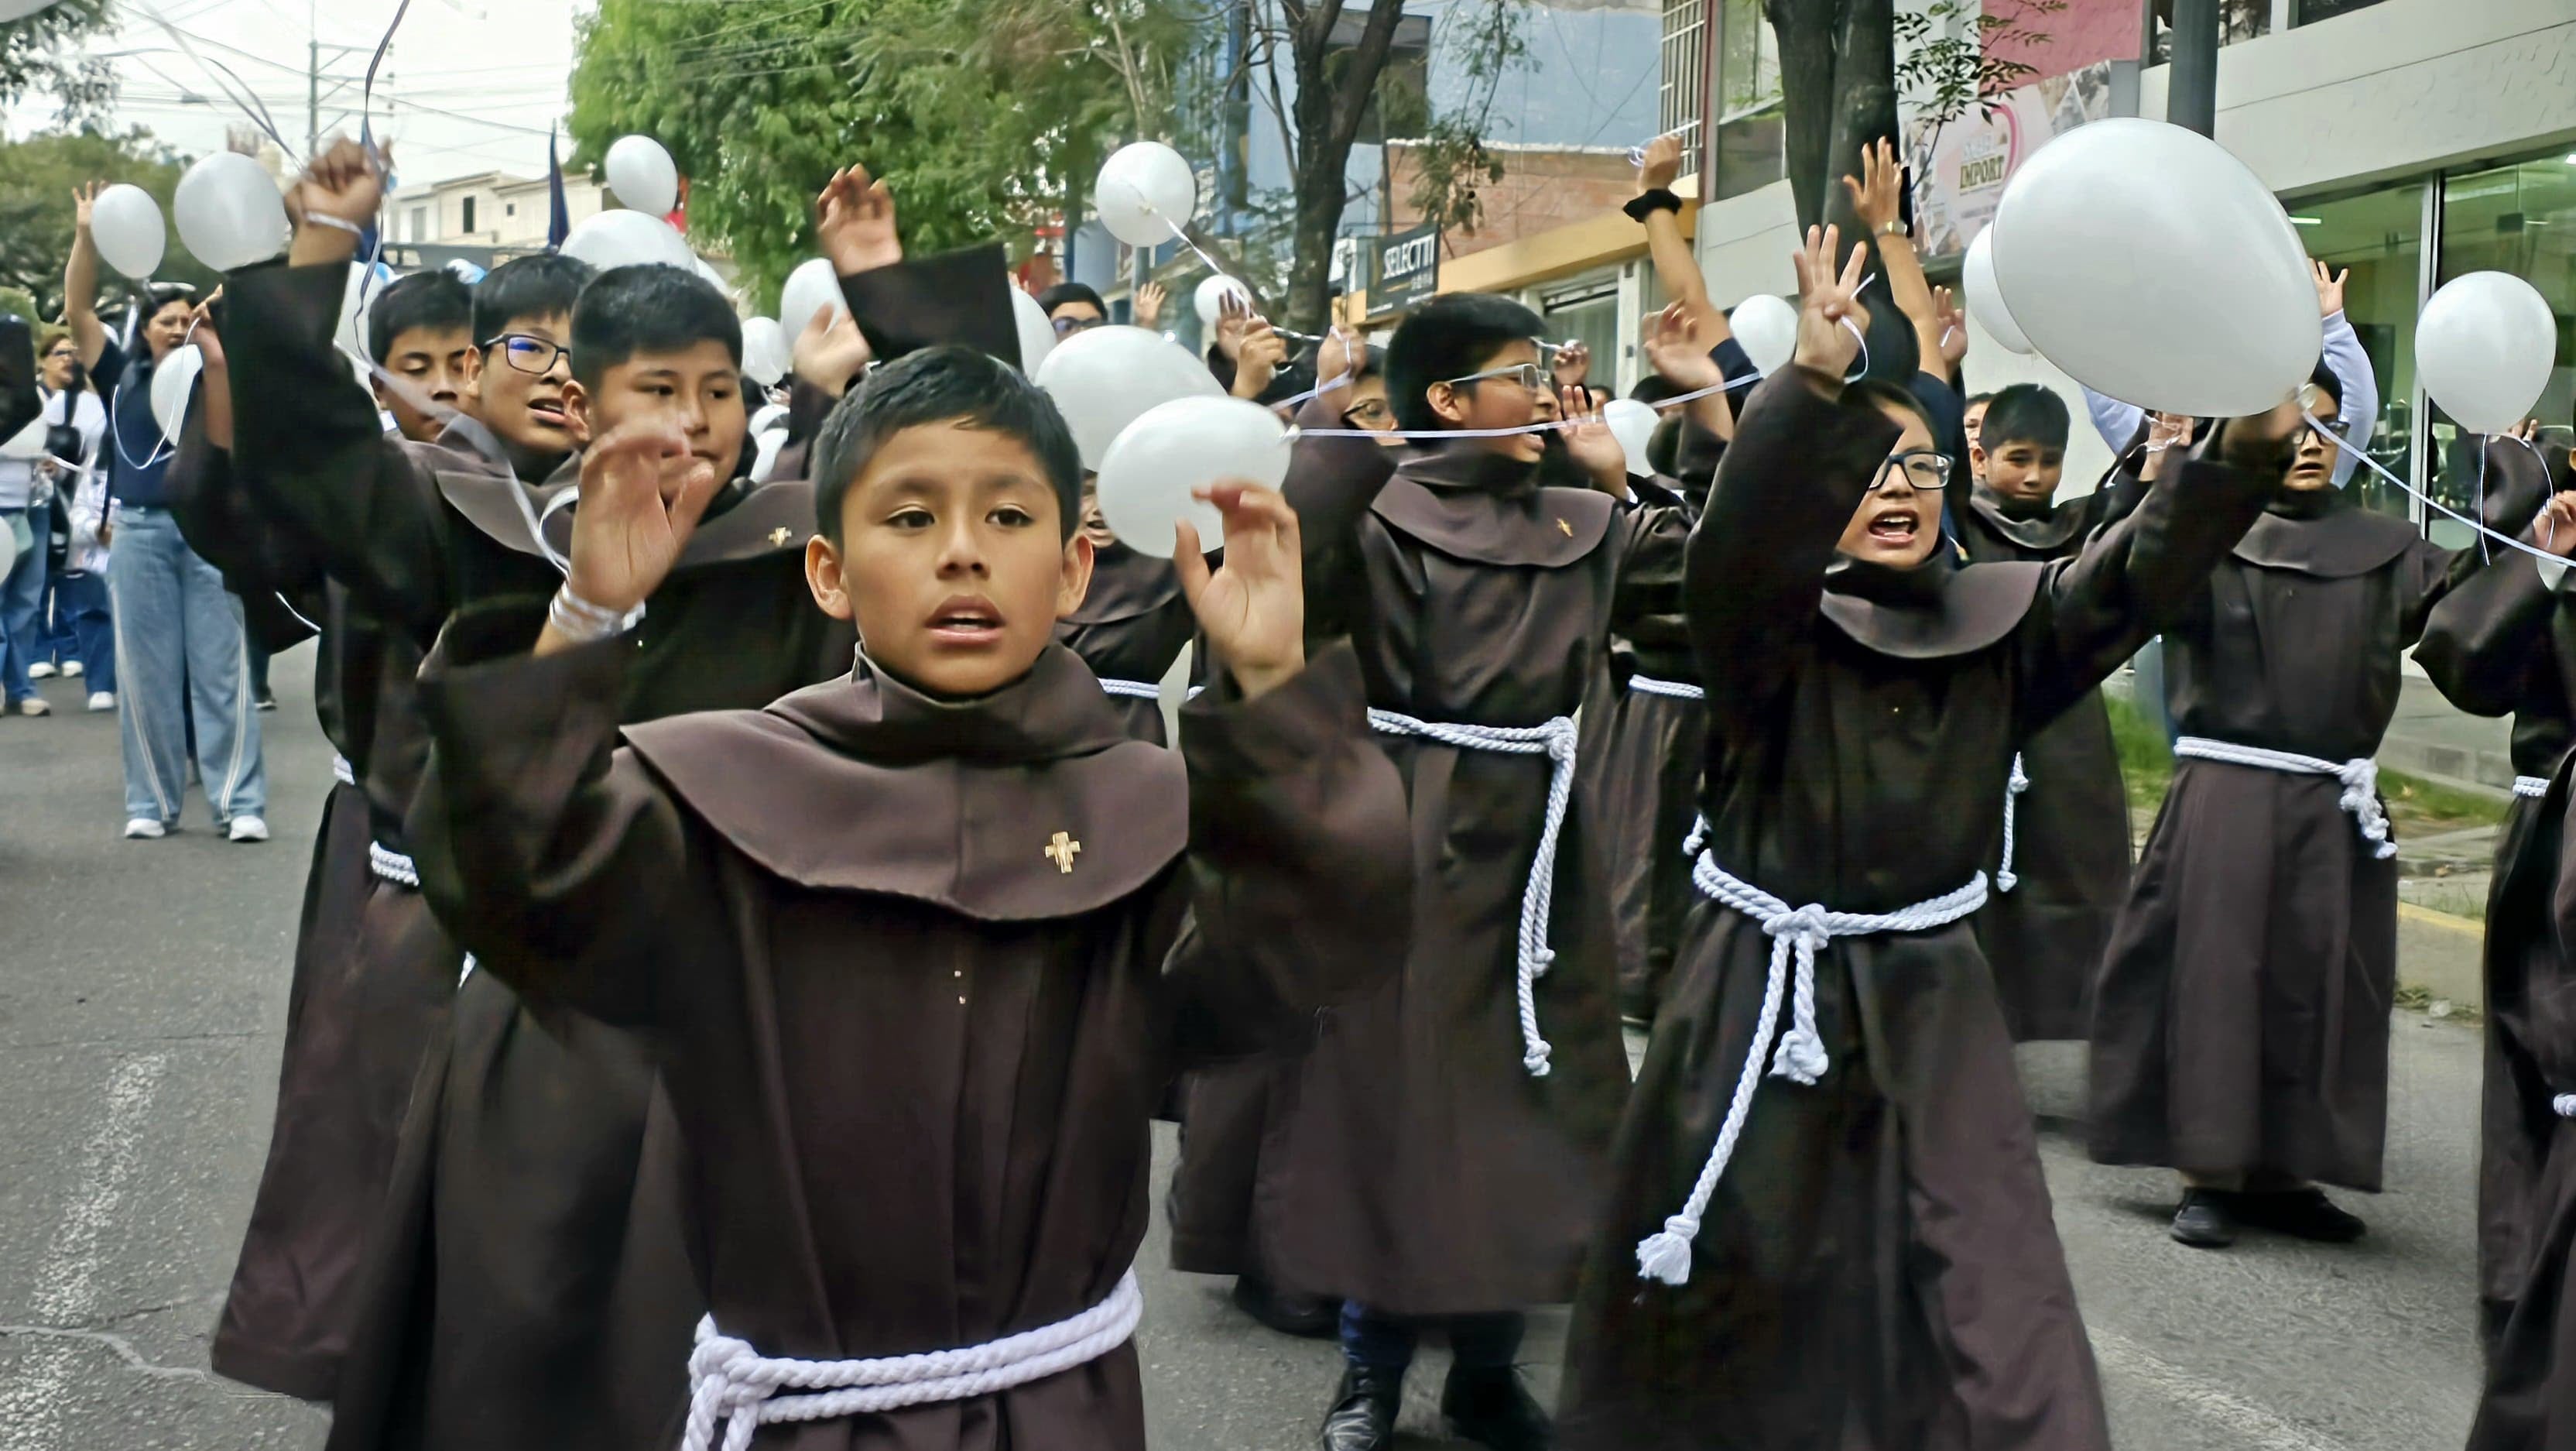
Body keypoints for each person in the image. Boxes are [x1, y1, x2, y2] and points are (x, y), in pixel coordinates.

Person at [405, 343, 1409, 1451]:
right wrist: (586, 616)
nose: (965, 555)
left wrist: (1272, 682)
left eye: (1011, 519)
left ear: (1076, 568)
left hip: (1057, 1403)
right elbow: (514, 883)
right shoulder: (712, 786)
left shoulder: (1147, 805)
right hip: (803, 1408)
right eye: (912, 519)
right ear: (829, 571)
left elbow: (1305, 960)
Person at [1556, 225, 2290, 1451]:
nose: (1898, 490)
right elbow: (1735, 550)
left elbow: (2133, 575)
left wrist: (2250, 444)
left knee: (1989, 1284)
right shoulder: (1761, 635)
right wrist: (1809, 382)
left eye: (1919, 469)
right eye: (1869, 469)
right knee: (1742, 1288)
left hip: (1936, 998)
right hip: (1760, 997)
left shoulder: (2004, 623)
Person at [1224, 280, 1714, 1451]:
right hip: (1416, 829)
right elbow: (1290, 571)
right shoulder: (1379, 514)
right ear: (1451, 398)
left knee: (1523, 1115)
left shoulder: (1576, 518)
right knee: (1408, 1106)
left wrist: (1619, 469)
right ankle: (1368, 1373)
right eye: (1522, 368)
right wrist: (1335, 402)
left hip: (1546, 847)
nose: (1549, 384)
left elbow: (1713, 578)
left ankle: (1488, 1370)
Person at [2088, 353, 2471, 1250]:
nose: (2307, 438)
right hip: (2227, 786)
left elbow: (2467, 633)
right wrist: (2162, 479)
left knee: (2316, 980)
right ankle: (2206, 1170)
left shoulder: (2389, 547)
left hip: (2331, 802)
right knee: (2216, 979)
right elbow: (2127, 579)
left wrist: (2513, 524)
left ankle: (2284, 1171)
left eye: (2325, 422)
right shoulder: (2205, 532)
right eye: (2291, 421)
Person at [2410, 419, 2576, 1354]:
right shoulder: (2545, 562)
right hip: (2553, 837)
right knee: (2535, 1045)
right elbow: (2464, 661)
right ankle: (2522, 1264)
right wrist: (2540, 561)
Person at [1941, 382, 2147, 1041]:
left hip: (2068, 740)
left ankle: (2070, 1020)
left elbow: (2139, 511)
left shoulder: (2082, 528)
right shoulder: (1957, 525)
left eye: (2049, 460)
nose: (2034, 476)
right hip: (1977, 732)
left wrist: (2161, 448)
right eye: (2018, 457)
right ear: (1981, 456)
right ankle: (1969, 1036)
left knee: (2075, 882)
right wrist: (1935, 357)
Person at [64, 185, 268, 841]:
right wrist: (87, 236)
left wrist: (214, 350)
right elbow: (76, 309)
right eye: (167, 321)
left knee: (222, 672)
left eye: (187, 319)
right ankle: (150, 804)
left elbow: (236, 436)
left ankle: (240, 804)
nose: (178, 328)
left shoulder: (215, 375)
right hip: (141, 534)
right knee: (145, 677)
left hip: (210, 536)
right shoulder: (120, 372)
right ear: (145, 330)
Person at [25, 327, 114, 705]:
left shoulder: (123, 394)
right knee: (78, 584)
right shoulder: (64, 403)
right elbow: (44, 441)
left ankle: (82, 655)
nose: (76, 358)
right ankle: (98, 683)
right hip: (73, 504)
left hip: (123, 501)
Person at [1, 321, 60, 714]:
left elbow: (44, 441)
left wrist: (48, 462)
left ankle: (21, 688)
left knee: (25, 604)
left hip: (32, 507)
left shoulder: (33, 399)